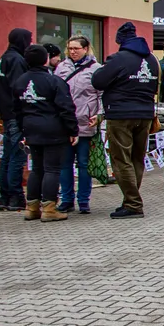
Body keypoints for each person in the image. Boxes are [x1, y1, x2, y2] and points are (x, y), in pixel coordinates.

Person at [91, 22, 160, 219]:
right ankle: (131, 200)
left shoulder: (118, 59)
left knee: (121, 159)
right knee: (137, 158)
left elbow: (98, 81)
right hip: (145, 114)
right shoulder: (152, 60)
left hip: (121, 114)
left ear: (120, 40)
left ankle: (133, 203)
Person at [13, 45, 78, 222]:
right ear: (46, 60)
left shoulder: (20, 81)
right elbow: (66, 107)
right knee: (52, 169)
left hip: (31, 128)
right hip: (53, 129)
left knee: (37, 169)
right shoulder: (53, 81)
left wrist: (23, 129)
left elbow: (16, 110)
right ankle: (49, 208)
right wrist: (72, 130)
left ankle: (32, 207)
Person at [53, 36, 102, 213]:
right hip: (65, 124)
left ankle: (83, 200)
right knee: (65, 164)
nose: (73, 51)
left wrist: (99, 114)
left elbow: (100, 95)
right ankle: (66, 199)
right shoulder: (61, 68)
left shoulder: (96, 69)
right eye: (70, 48)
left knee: (83, 164)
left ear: (86, 49)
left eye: (76, 48)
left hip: (85, 123)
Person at [0, 28, 32, 211]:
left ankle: (6, 196)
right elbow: (20, 89)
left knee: (7, 157)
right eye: (29, 40)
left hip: (7, 113)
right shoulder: (17, 60)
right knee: (17, 156)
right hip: (16, 115)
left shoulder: (5, 58)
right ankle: (15, 196)